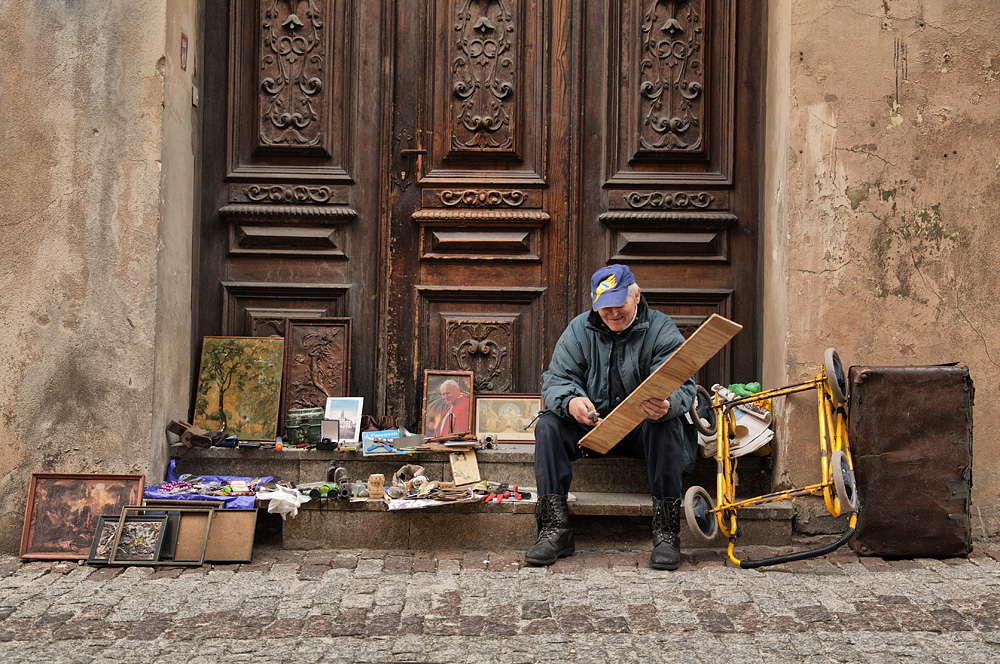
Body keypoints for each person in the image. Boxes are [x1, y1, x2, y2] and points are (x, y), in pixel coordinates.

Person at [526, 264, 696, 570]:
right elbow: (555, 382)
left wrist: (667, 404)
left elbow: (685, 387)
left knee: (667, 424)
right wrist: (571, 402)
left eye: (619, 304)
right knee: (549, 424)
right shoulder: (579, 329)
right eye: (605, 307)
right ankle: (554, 530)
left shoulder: (661, 328)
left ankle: (667, 532)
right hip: (592, 428)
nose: (613, 313)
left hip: (641, 430)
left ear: (637, 295)